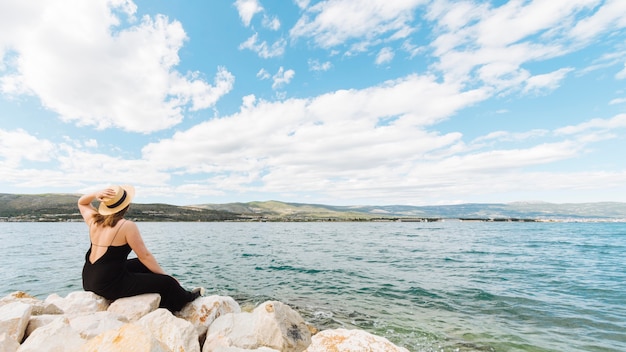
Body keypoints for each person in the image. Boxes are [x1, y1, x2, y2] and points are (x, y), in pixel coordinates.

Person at [78, 185, 203, 312]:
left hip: (89, 279)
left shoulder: (94, 220)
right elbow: (145, 256)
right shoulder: (127, 226)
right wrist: (167, 276)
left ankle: (160, 296)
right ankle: (185, 299)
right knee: (167, 283)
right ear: (127, 206)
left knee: (140, 264)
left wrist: (95, 194)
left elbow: (82, 203)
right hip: (108, 285)